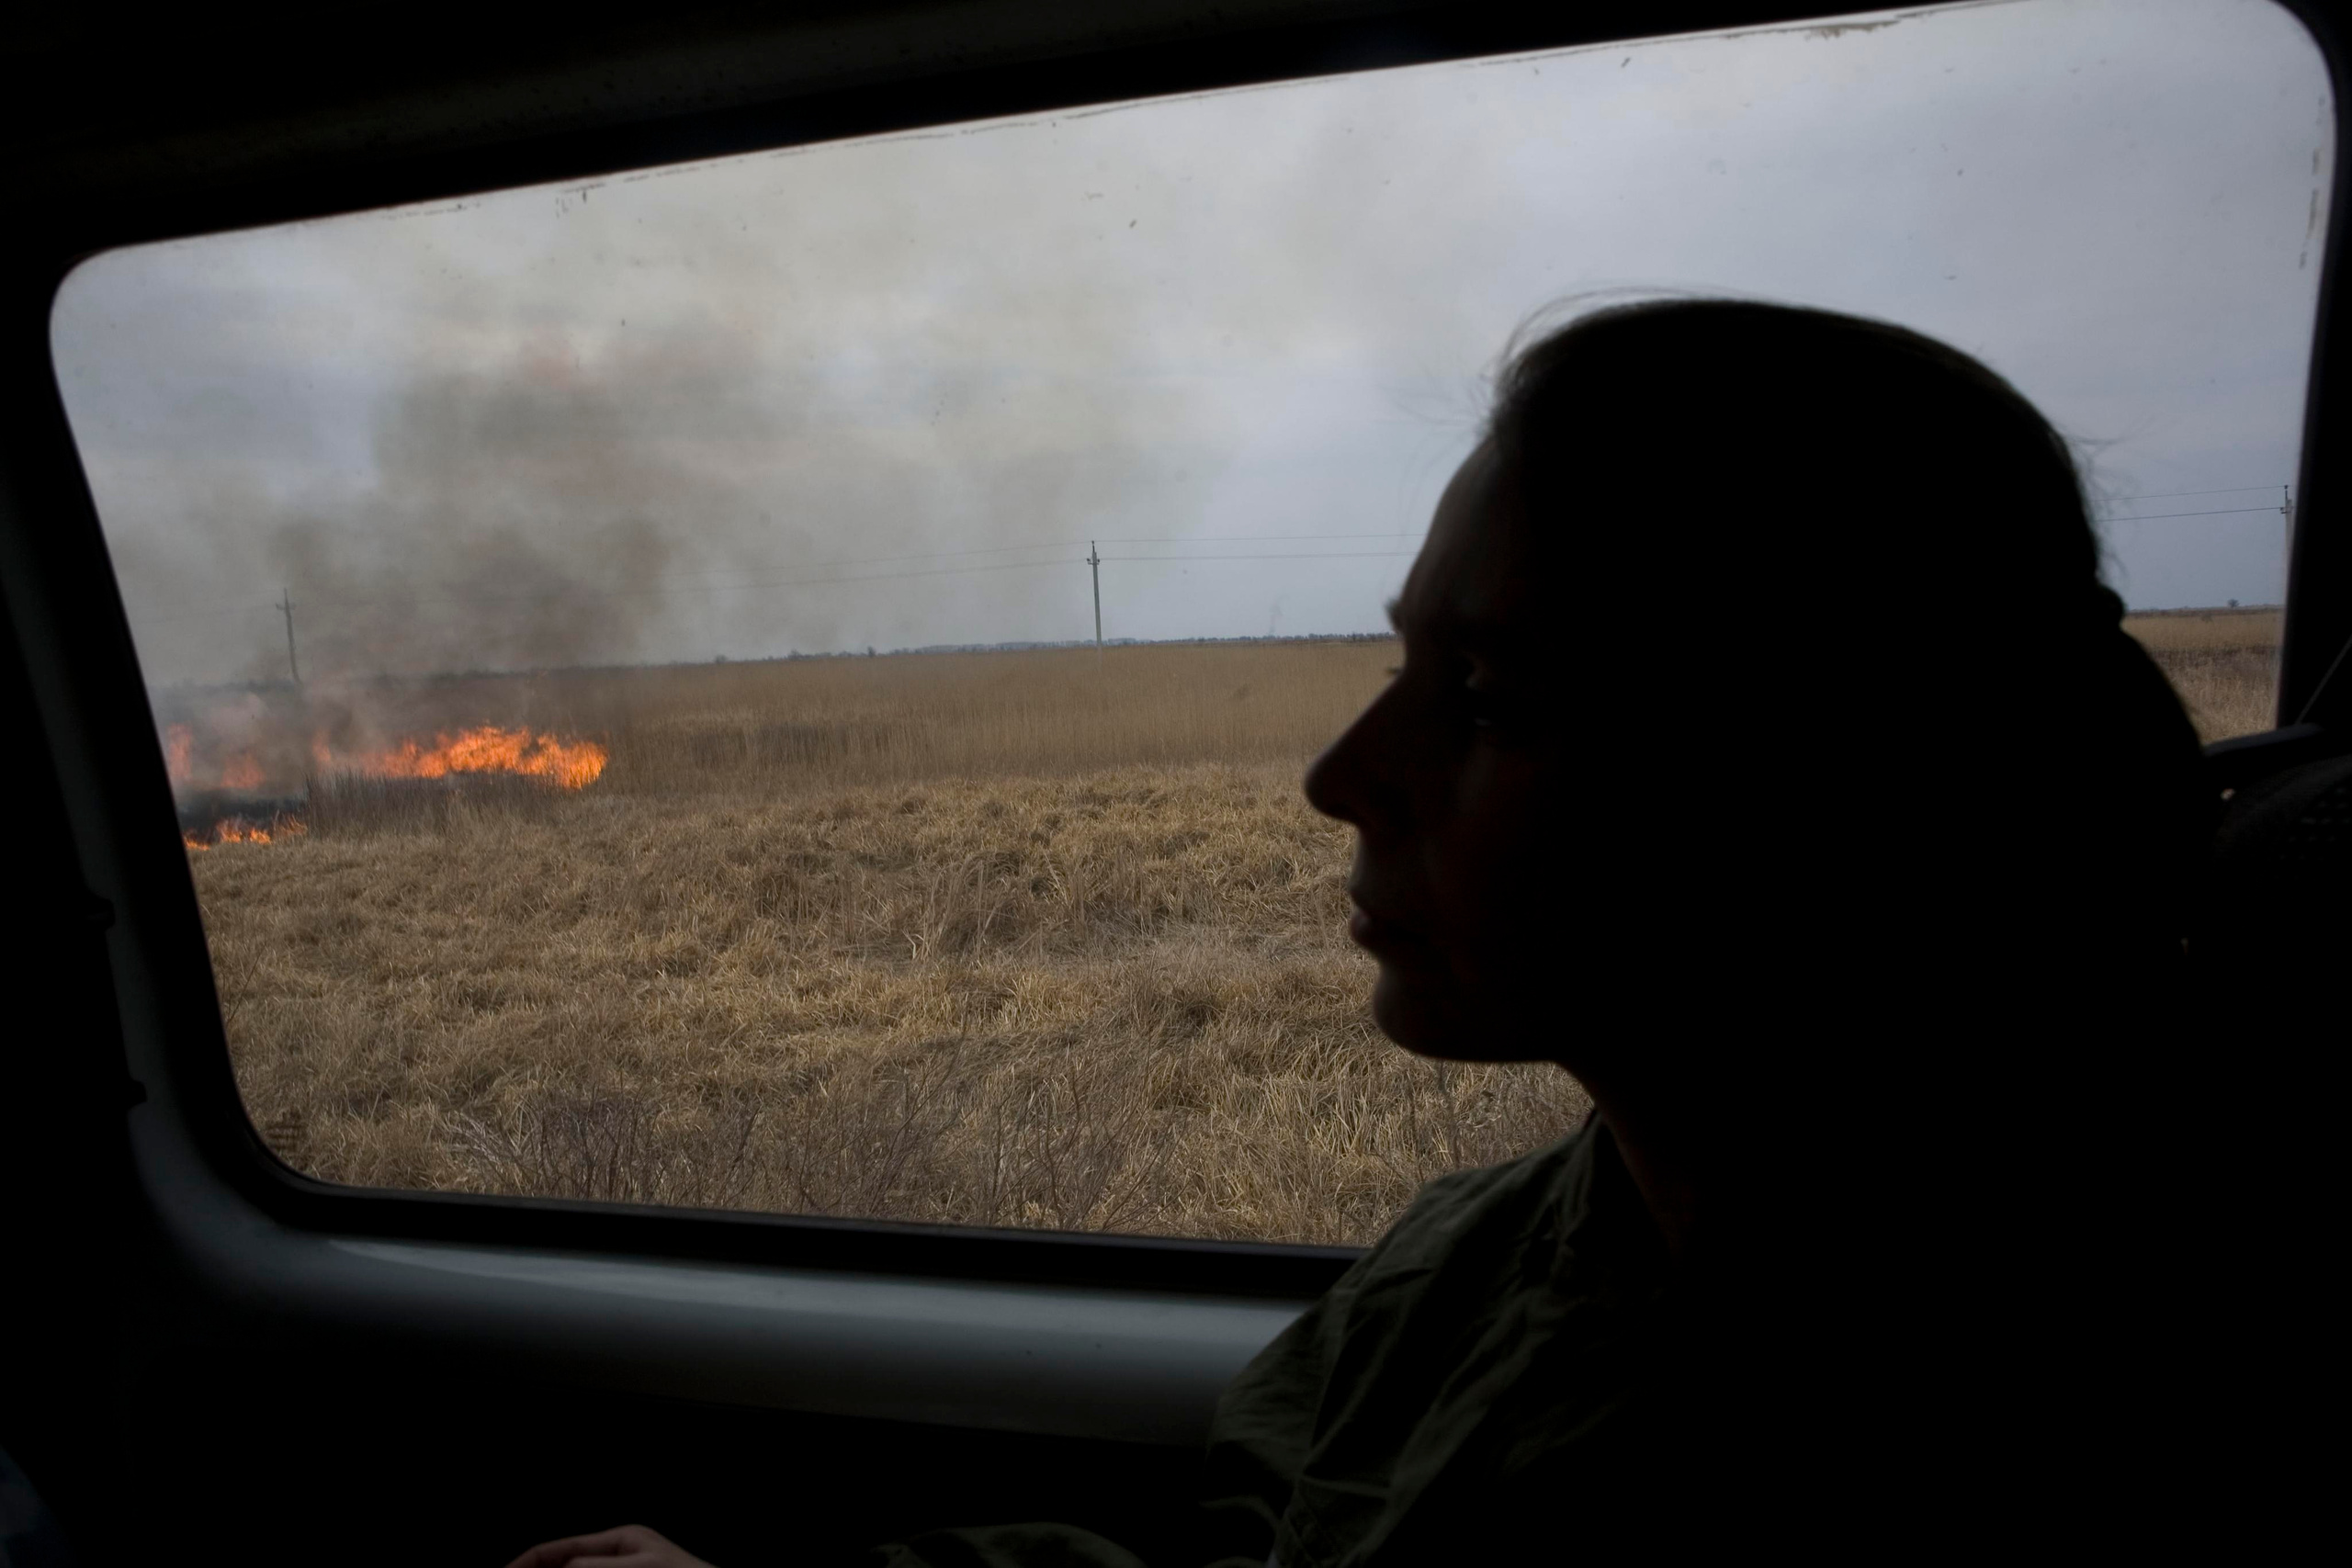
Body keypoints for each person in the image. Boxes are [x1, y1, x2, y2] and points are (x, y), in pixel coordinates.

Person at [505, 299, 2215, 1567]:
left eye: (1482, 696)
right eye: (1398, 666)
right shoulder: (1499, 1249)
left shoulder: (2001, 1410)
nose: (1340, 777)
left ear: (1833, 775)